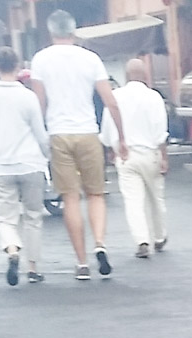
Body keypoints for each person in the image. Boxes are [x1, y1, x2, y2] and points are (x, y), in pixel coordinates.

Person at [31, 9, 127, 281]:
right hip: (88, 132)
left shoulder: (41, 59)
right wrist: (121, 137)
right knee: (95, 194)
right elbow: (111, 101)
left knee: (70, 197)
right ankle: (100, 243)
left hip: (58, 134)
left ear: (52, 32)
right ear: (74, 31)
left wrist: (40, 137)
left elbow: (39, 102)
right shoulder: (91, 59)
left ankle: (82, 262)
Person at [0, 47, 50, 286]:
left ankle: (12, 250)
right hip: (30, 162)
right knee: (33, 215)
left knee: (6, 218)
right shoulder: (28, 97)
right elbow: (40, 133)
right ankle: (33, 267)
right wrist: (46, 156)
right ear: (18, 67)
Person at [99, 58, 168, 260]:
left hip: (125, 155)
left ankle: (141, 241)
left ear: (126, 76)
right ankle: (160, 236)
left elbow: (106, 130)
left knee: (133, 200)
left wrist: (112, 149)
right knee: (157, 197)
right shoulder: (154, 97)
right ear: (145, 75)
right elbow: (160, 130)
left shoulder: (115, 96)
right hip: (150, 154)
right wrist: (163, 156)